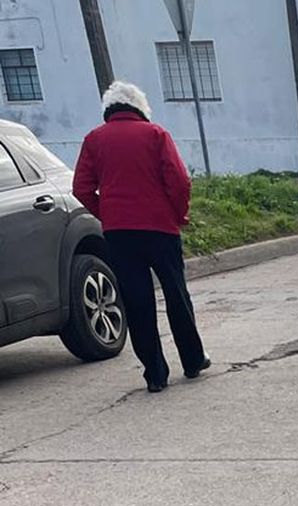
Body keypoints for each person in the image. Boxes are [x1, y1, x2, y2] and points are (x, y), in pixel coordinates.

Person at [73, 81, 210, 393]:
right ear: (139, 107)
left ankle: (155, 375)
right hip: (161, 228)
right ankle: (192, 361)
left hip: (119, 234)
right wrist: (179, 213)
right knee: (177, 296)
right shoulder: (155, 134)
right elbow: (179, 180)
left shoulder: (94, 140)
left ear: (109, 109)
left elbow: (80, 187)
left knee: (137, 302)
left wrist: (106, 213)